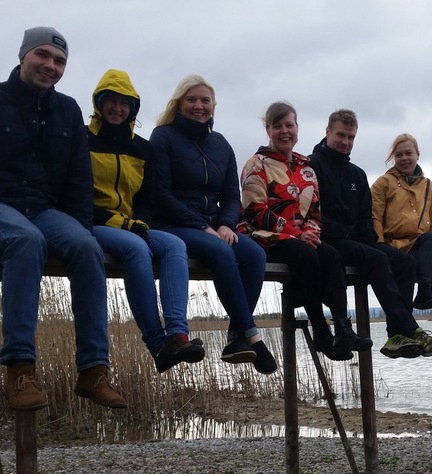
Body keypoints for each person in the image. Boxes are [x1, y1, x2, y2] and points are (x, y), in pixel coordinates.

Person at [0, 26, 127, 411]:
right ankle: (20, 368)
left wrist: (77, 226)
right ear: (23, 56)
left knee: (87, 247)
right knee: (26, 241)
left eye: (59, 61)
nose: (50, 65)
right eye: (43, 55)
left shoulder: (68, 110)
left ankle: (94, 370)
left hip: (45, 210)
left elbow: (79, 177)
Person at [148, 75, 277, 374]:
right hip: (173, 223)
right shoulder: (163, 137)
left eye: (205, 100)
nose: (198, 106)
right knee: (221, 253)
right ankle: (254, 339)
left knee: (255, 255)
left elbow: (232, 195)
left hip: (214, 226)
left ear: (213, 106)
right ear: (179, 104)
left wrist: (226, 224)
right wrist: (202, 226)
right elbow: (161, 194)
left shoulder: (220, 144)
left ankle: (235, 336)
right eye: (191, 100)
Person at [86, 69, 205, 373]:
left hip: (131, 224)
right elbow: (74, 196)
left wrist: (137, 221)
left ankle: (178, 334)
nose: (117, 108)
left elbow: (148, 198)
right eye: (110, 101)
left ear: (133, 108)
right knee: (136, 249)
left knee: (174, 245)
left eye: (125, 103)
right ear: (99, 103)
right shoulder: (81, 140)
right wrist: (121, 224)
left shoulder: (142, 148)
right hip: (92, 223)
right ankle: (156, 342)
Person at [237, 101, 372, 361]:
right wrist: (296, 234)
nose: (284, 131)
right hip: (265, 237)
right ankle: (321, 330)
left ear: (297, 128)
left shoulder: (305, 167)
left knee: (331, 255)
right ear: (268, 130)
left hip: (301, 238)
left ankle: (343, 328)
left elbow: (314, 213)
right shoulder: (256, 164)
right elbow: (254, 210)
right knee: (307, 255)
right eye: (278, 126)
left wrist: (309, 231)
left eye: (290, 125)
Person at [309, 109, 427, 359]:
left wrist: (363, 234)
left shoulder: (357, 174)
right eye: (341, 135)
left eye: (351, 137)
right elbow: (312, 213)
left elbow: (366, 216)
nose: (346, 142)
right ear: (328, 132)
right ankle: (408, 328)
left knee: (405, 262)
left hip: (357, 241)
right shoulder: (312, 166)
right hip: (328, 240)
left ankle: (397, 333)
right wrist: (348, 233)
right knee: (377, 258)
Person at [370, 133, 432, 354]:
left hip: (418, 245)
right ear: (393, 158)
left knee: (431, 238)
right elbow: (375, 217)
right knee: (407, 264)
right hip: (391, 245)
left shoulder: (428, 187)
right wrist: (378, 245)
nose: (404, 158)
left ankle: (425, 293)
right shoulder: (383, 183)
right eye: (399, 155)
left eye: (409, 153)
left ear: (418, 155)